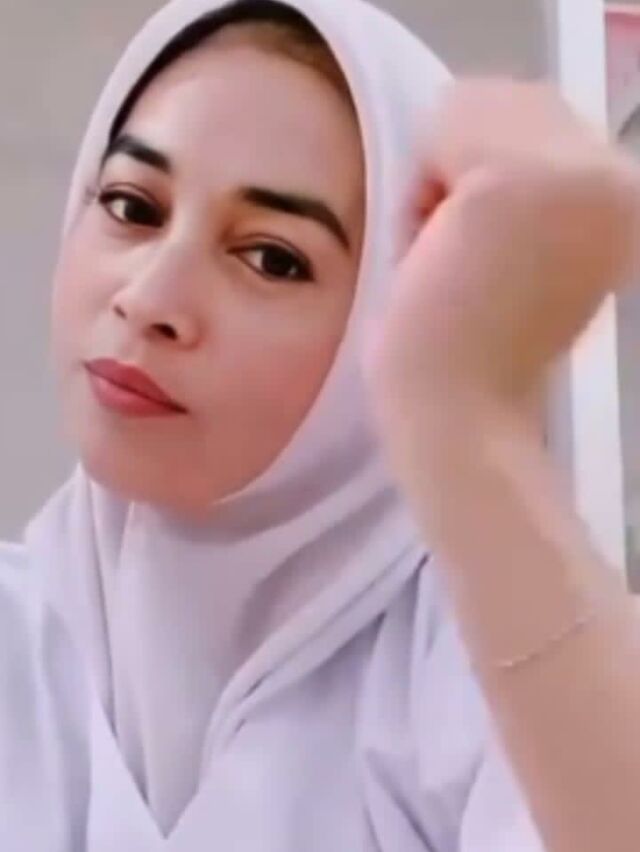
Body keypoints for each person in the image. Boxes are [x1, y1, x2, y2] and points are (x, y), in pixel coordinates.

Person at [0, 0, 629, 850]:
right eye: (132, 206)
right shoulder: (20, 636)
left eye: (271, 258)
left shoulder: (497, 665)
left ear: (393, 303)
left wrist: (459, 412)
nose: (149, 300)